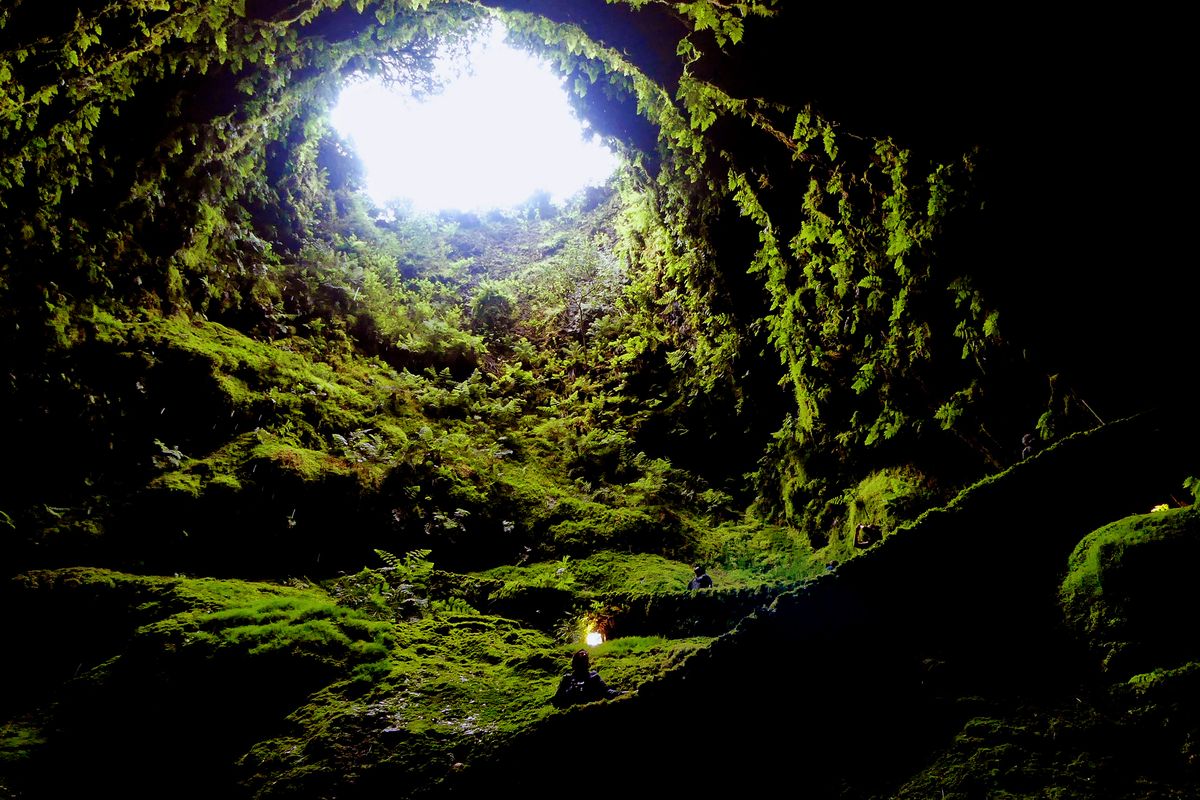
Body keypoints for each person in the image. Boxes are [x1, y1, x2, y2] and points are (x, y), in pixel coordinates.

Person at [552, 649, 620, 707]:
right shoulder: (567, 679)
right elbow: (556, 700)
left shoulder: (594, 677)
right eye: (579, 663)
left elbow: (607, 692)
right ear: (574, 665)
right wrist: (571, 691)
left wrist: (623, 693)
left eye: (583, 662)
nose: (581, 666)